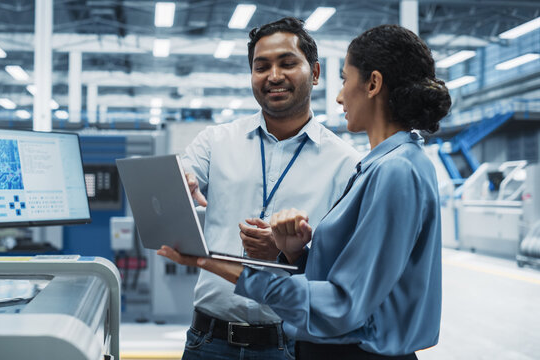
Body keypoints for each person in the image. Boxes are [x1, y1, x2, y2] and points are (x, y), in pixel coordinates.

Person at [160, 24, 451, 360]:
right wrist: (293, 253)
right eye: (261, 66)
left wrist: (208, 261)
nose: (340, 96)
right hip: (218, 339)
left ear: (371, 84)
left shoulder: (388, 169)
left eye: (344, 80)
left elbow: (343, 303)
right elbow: (346, 277)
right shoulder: (381, 166)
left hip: (324, 346)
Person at [176, 17, 360, 360]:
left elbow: (343, 268)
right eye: (261, 66)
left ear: (315, 73)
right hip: (207, 341)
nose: (274, 75)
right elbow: (183, 173)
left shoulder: (346, 163)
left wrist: (286, 252)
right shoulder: (216, 141)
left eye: (288, 63)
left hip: (288, 345)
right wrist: (179, 181)